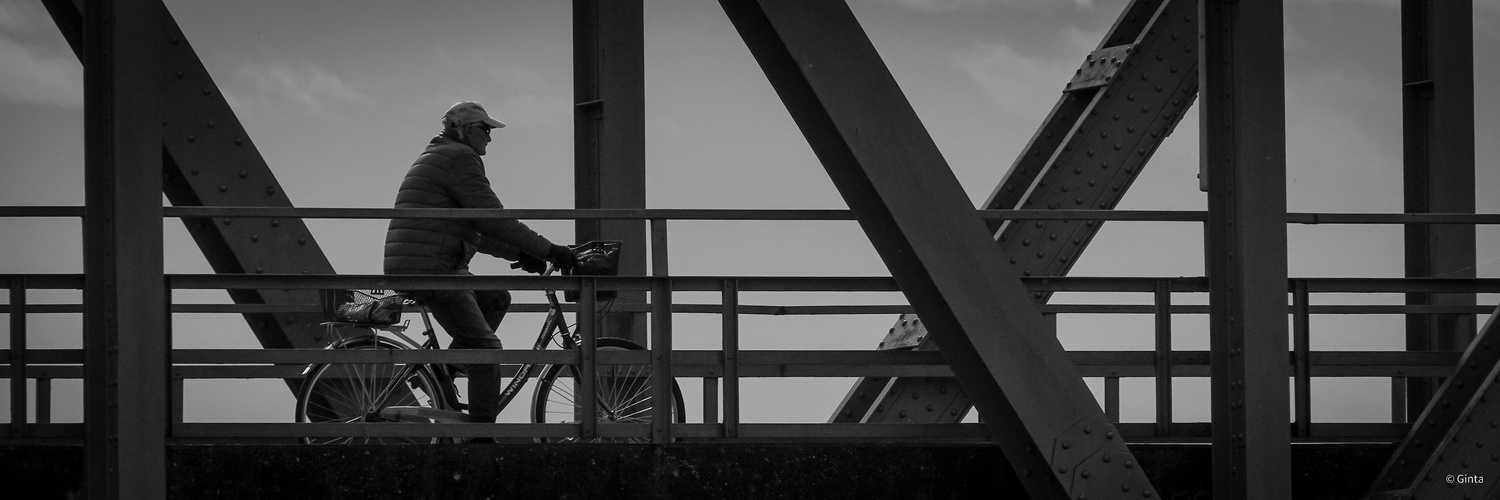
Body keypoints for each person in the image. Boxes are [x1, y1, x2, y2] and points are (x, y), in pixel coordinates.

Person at [383, 101, 578, 424]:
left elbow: (477, 228)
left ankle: (445, 370)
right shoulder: (460, 158)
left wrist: (521, 254)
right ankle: (481, 438)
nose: (490, 137)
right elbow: (493, 219)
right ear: (467, 130)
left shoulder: (441, 155)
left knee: (496, 298)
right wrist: (549, 250)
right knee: (487, 351)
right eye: (486, 130)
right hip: (433, 270)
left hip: (424, 264)